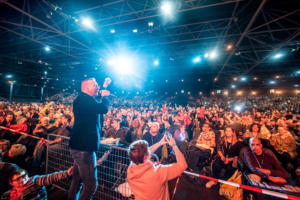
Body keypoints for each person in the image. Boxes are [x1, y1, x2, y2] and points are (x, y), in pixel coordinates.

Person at [68, 78, 110, 200]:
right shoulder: (83, 100)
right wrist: (106, 96)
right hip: (83, 149)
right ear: (86, 87)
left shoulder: (84, 99)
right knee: (90, 185)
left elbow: (97, 102)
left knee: (77, 181)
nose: (97, 87)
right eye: (95, 85)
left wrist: (105, 86)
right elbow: (103, 108)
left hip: (79, 146)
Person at [127, 134, 187, 200]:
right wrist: (174, 145)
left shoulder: (131, 169)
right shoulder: (158, 172)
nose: (149, 151)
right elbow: (182, 165)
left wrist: (160, 143)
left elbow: (140, 154)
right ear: (145, 157)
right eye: (148, 150)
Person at [1, 167, 73, 200]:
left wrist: (66, 173)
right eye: (17, 179)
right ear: (11, 183)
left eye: (24, 176)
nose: (22, 179)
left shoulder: (34, 181)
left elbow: (49, 178)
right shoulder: (8, 194)